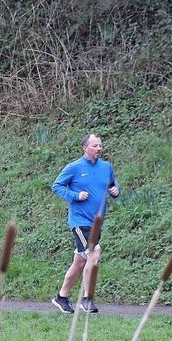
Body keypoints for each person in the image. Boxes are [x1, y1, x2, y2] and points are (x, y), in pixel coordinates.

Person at [51, 133, 119, 314]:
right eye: (95, 146)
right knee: (94, 256)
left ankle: (61, 297)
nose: (99, 149)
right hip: (79, 222)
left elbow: (114, 184)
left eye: (100, 146)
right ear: (85, 148)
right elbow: (57, 186)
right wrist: (75, 196)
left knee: (80, 261)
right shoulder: (74, 167)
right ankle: (87, 300)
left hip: (97, 222)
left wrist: (115, 190)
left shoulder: (106, 167)